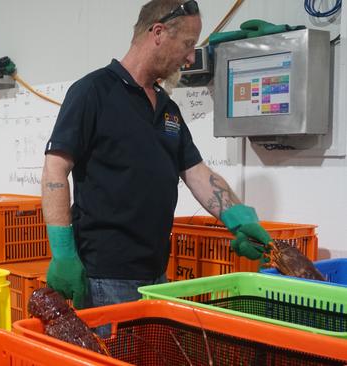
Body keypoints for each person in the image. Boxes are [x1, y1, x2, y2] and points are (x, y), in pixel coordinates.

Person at [41, 0, 272, 311]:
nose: (191, 57)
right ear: (159, 32)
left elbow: (196, 172)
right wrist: (63, 252)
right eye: (188, 44)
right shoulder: (92, 92)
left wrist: (238, 218)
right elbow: (55, 170)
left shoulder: (168, 109)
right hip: (104, 276)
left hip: (156, 274)